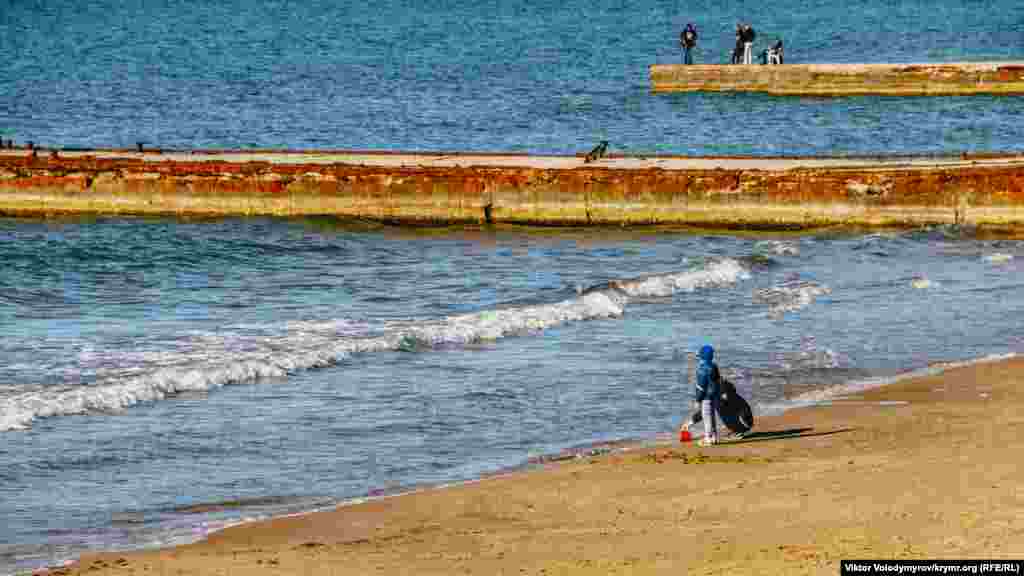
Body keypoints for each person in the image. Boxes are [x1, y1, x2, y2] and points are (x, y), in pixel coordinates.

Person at [692, 344, 721, 446]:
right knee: (712, 416)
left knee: (706, 417)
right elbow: (718, 381)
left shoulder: (702, 370)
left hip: (706, 398)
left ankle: (708, 438)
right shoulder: (714, 366)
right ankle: (714, 437)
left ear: (702, 357)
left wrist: (697, 400)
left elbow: (700, 387)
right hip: (714, 396)